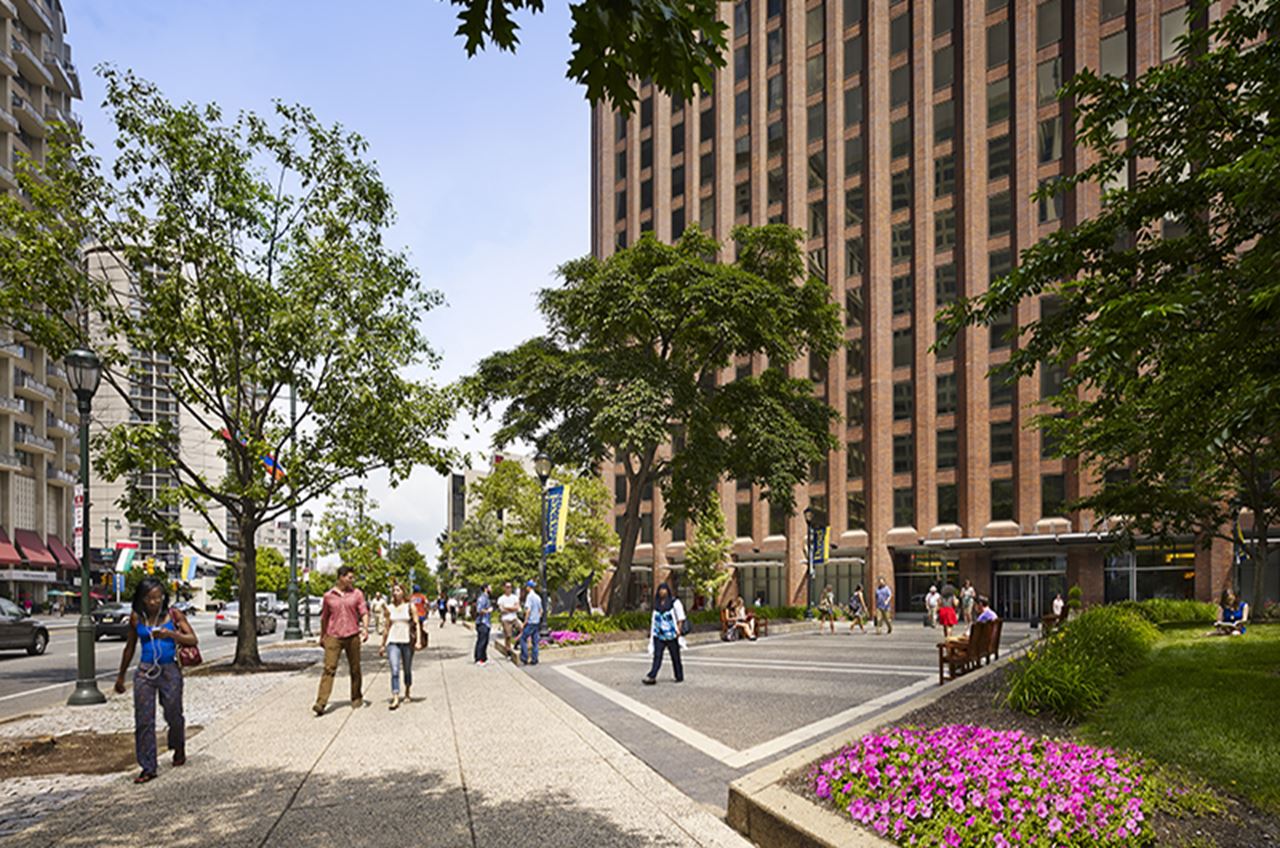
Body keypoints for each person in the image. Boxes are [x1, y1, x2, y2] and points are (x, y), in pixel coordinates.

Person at [113, 576, 198, 783]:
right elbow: (130, 647)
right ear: (142, 599)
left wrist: (171, 634)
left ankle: (178, 745)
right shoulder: (136, 618)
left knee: (173, 713)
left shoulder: (173, 614)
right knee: (144, 720)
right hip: (145, 672)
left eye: (158, 597)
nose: (155, 602)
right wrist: (121, 676)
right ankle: (148, 766)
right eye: (150, 598)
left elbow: (192, 639)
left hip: (170, 670)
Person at [313, 565, 369, 716]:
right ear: (341, 577)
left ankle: (356, 697)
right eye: (350, 577)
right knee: (329, 668)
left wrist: (365, 629)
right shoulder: (328, 596)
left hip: (352, 635)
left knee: (355, 668)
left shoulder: (357, 594)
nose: (352, 580)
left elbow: (363, 612)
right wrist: (322, 636)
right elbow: (324, 618)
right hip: (333, 636)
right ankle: (321, 702)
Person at [378, 583, 414, 709]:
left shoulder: (410, 607)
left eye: (398, 590)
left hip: (407, 641)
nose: (395, 593)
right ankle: (396, 697)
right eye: (393, 591)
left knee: (407, 669)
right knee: (394, 670)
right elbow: (386, 627)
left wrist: (419, 640)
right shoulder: (389, 608)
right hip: (392, 641)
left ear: (403, 592)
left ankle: (408, 691)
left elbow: (416, 624)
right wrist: (382, 644)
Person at [643, 583, 686, 685]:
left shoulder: (674, 602)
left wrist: (679, 630)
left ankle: (679, 675)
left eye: (664, 590)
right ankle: (652, 676)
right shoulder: (657, 604)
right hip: (659, 635)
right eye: (660, 590)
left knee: (675, 656)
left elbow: (680, 617)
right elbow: (655, 620)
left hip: (672, 634)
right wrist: (652, 632)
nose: (662, 592)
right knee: (657, 656)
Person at [518, 579, 543, 665]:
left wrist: (525, 621)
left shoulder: (529, 597)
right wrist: (538, 618)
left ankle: (524, 657)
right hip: (536, 622)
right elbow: (541, 610)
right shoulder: (538, 597)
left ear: (529, 587)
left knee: (523, 638)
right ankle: (534, 659)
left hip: (531, 622)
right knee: (535, 642)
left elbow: (528, 610)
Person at [497, 581, 521, 663]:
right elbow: (502, 610)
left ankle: (517, 643)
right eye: (507, 587)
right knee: (508, 636)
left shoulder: (514, 597)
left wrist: (507, 608)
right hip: (506, 620)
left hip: (514, 618)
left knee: (523, 629)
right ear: (504, 588)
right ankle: (508, 653)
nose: (509, 589)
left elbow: (517, 607)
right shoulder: (501, 598)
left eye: (510, 587)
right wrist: (512, 608)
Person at [474, 582, 493, 665]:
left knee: (485, 641)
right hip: (482, 622)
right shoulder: (482, 598)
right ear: (486, 588)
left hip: (486, 622)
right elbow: (479, 610)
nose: (491, 589)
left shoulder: (487, 598)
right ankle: (479, 658)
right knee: (482, 640)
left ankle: (483, 658)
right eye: (490, 587)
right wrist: (488, 611)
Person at [410, 585, 430, 650]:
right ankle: (424, 641)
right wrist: (427, 610)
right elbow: (427, 603)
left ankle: (415, 641)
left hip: (413, 615)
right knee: (422, 628)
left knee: (413, 628)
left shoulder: (411, 597)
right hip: (422, 614)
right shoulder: (422, 596)